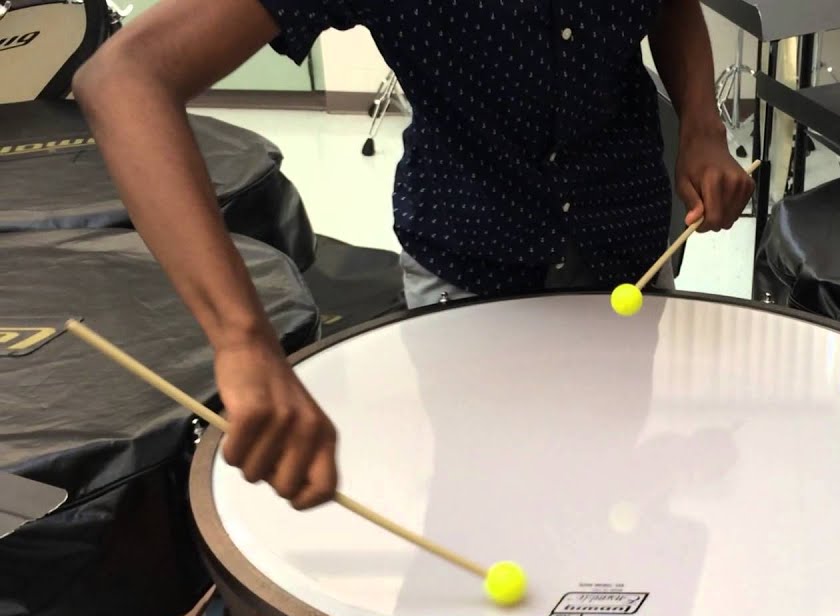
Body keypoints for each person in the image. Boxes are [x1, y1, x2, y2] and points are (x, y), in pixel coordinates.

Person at [72, 0, 754, 510]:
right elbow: (126, 76)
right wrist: (242, 339)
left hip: (624, 240)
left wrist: (702, 125)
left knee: (608, 488)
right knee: (487, 511)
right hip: (471, 262)